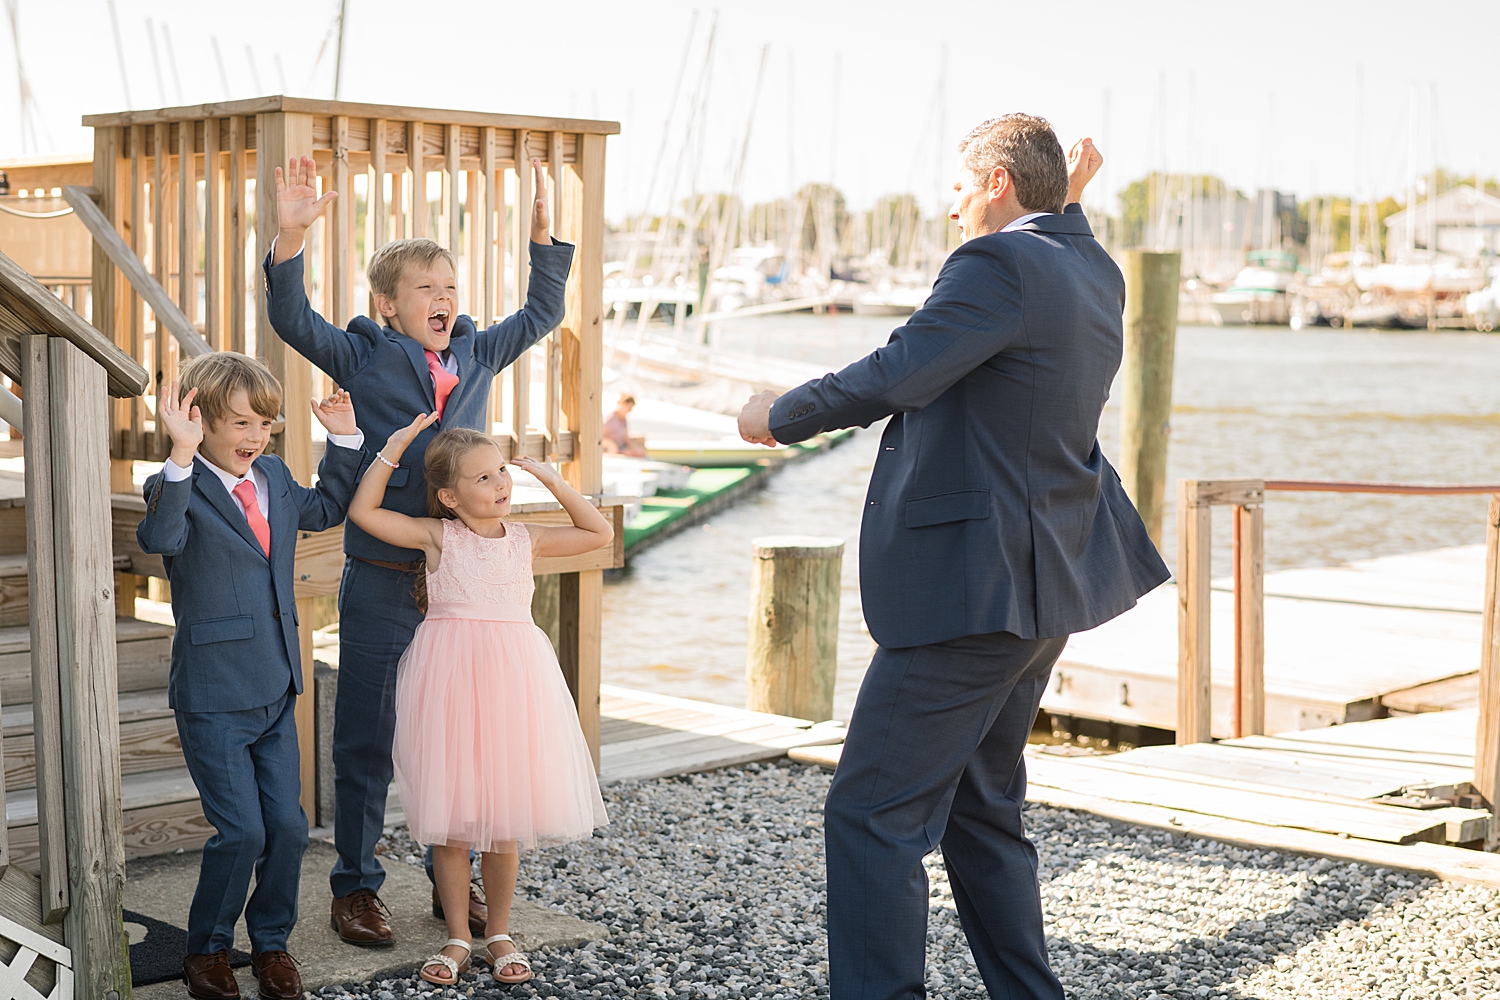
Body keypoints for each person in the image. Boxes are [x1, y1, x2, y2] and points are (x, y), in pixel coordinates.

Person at [737, 119, 1170, 1000]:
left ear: (1000, 181)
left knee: (872, 814)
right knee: (980, 810)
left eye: (963, 187)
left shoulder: (997, 265)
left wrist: (775, 415)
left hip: (974, 587)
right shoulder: (1091, 267)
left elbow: (901, 373)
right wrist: (1067, 200)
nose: (951, 205)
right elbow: (1045, 258)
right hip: (1045, 581)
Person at [263, 155, 574, 943]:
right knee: (365, 737)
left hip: (462, 594)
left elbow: (540, 314)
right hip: (382, 577)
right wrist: (290, 241)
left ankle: (453, 886)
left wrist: (547, 243)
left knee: (465, 745)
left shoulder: (477, 353)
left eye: (451, 288)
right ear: (388, 304)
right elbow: (294, 322)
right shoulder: (362, 355)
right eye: (427, 289)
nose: (444, 300)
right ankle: (357, 886)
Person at [347, 415, 612, 986]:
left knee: (504, 814)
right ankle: (457, 937)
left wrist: (554, 482)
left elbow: (598, 534)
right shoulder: (439, 536)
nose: (499, 484)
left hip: (514, 682)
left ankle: (499, 930)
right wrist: (391, 450)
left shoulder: (526, 538)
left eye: (500, 473)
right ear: (449, 496)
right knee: (454, 822)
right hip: (449, 680)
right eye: (483, 477)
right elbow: (364, 513)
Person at [136, 353, 366, 1000]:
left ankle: (271, 944)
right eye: (239, 422)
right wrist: (179, 457)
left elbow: (325, 509)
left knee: (289, 829)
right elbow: (161, 539)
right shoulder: (172, 485)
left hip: (276, 680)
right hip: (213, 692)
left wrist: (343, 439)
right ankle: (206, 949)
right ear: (198, 420)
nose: (254, 437)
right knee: (242, 830)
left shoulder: (271, 473)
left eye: (264, 423)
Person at [602, 393, 647, 457]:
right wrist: (611, 444)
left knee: (641, 439)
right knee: (635, 452)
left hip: (621, 444)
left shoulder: (623, 420)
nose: (629, 411)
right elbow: (600, 437)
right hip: (614, 447)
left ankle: (644, 457)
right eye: (629, 408)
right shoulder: (610, 420)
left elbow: (626, 438)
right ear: (623, 404)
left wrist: (634, 446)